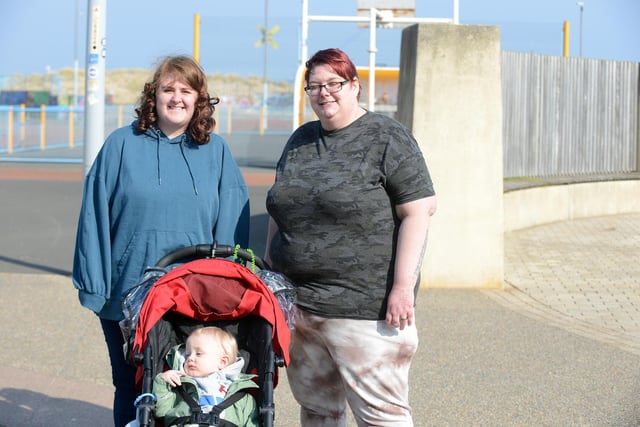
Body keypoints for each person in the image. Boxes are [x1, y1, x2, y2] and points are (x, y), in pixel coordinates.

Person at [72, 55, 250, 427]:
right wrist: (95, 284)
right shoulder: (121, 144)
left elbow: (233, 224)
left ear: (199, 99)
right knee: (131, 386)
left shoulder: (215, 151)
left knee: (189, 389)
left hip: (191, 298)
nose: (177, 98)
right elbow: (93, 216)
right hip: (127, 293)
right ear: (153, 96)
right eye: (168, 89)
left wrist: (229, 288)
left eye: (186, 90)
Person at [264, 48, 437, 426]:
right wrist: (270, 277)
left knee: (382, 417)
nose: (324, 93)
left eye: (334, 84)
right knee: (317, 411)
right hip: (301, 308)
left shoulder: (387, 136)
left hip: (364, 311)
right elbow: (281, 208)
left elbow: (419, 211)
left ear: (354, 86)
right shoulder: (299, 141)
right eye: (314, 86)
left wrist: (402, 288)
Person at [152, 326, 260, 426]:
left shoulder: (242, 397)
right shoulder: (179, 386)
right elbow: (161, 412)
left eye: (198, 354)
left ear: (222, 362)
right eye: (188, 354)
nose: (190, 358)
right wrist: (163, 381)